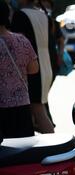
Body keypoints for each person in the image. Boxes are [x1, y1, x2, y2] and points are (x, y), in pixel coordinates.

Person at [10, 0, 55, 134]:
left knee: (38, 111)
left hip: (33, 69)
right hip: (46, 67)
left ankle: (53, 147)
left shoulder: (20, 15)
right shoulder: (43, 15)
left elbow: (18, 44)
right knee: (37, 110)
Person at [0, 0, 39, 138]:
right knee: (23, 153)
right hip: (22, 107)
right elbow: (34, 69)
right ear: (7, 16)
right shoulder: (22, 40)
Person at [39, 0, 65, 128]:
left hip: (51, 62)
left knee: (43, 95)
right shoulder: (38, 19)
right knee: (42, 96)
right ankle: (46, 121)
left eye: (47, 5)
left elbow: (61, 40)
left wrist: (60, 55)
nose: (45, 7)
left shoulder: (52, 22)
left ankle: (44, 122)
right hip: (42, 62)